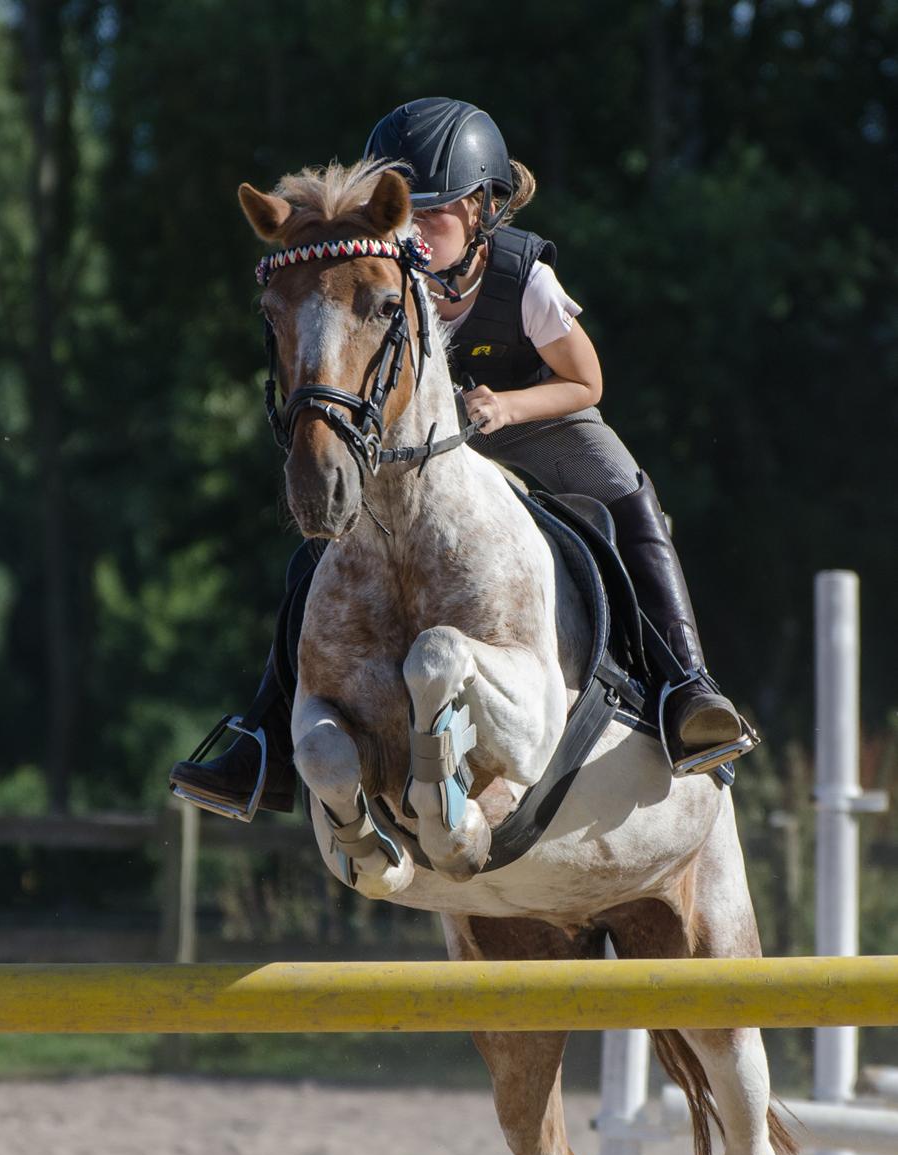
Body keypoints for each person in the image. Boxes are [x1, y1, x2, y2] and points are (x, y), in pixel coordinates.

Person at [170, 97, 757, 821]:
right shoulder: (377, 274)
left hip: (537, 419)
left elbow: (587, 382)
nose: (410, 228)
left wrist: (508, 407)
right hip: (424, 443)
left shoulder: (523, 278)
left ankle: (684, 687)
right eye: (400, 211)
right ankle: (263, 736)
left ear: (480, 208)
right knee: (321, 552)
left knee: (625, 488)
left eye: (432, 212)